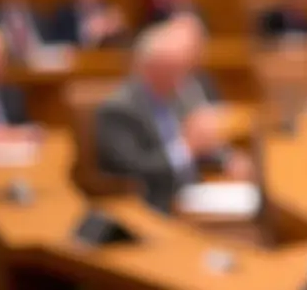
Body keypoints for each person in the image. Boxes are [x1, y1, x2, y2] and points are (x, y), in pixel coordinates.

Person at [95, 25, 251, 214]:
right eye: (172, 70)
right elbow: (133, 171)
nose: (180, 80)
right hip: (154, 205)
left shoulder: (177, 97)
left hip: (194, 195)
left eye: (182, 70)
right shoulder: (118, 110)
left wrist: (226, 160)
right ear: (149, 68)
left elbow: (202, 145)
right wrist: (186, 148)